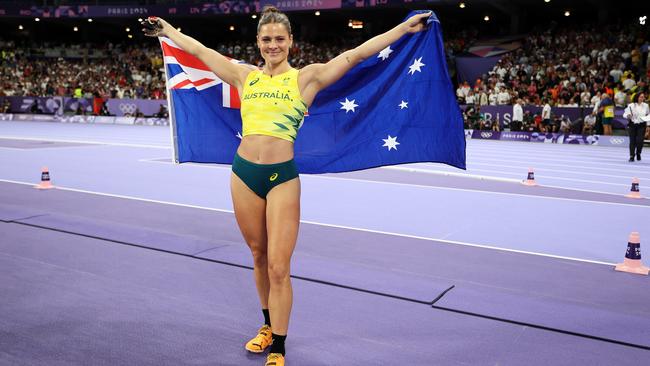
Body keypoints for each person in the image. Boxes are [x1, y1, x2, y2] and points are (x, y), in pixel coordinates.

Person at [143, 7, 432, 366]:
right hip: (243, 174)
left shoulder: (306, 79)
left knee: (279, 266)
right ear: (258, 43)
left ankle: (278, 344)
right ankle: (266, 325)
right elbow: (201, 51)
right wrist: (169, 30)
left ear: (291, 41)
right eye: (267, 39)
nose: (273, 45)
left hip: (281, 178)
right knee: (259, 256)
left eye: (280, 38)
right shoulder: (244, 76)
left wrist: (403, 29)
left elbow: (357, 54)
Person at [623, 92, 649, 162]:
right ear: (637, 97)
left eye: (643, 97)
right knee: (632, 141)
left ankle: (638, 153)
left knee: (640, 141)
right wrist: (628, 115)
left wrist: (648, 126)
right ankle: (632, 156)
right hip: (632, 125)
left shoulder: (646, 106)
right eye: (640, 97)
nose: (642, 98)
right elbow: (624, 114)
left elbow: (648, 116)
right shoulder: (631, 105)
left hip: (642, 125)